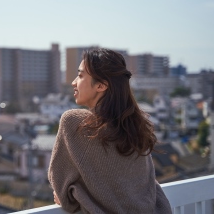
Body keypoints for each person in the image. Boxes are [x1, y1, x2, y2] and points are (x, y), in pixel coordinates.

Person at [48, 48, 172, 214]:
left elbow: (64, 194)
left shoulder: (75, 122)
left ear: (101, 85)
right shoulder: (135, 127)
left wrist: (69, 195)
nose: (73, 82)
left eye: (81, 75)